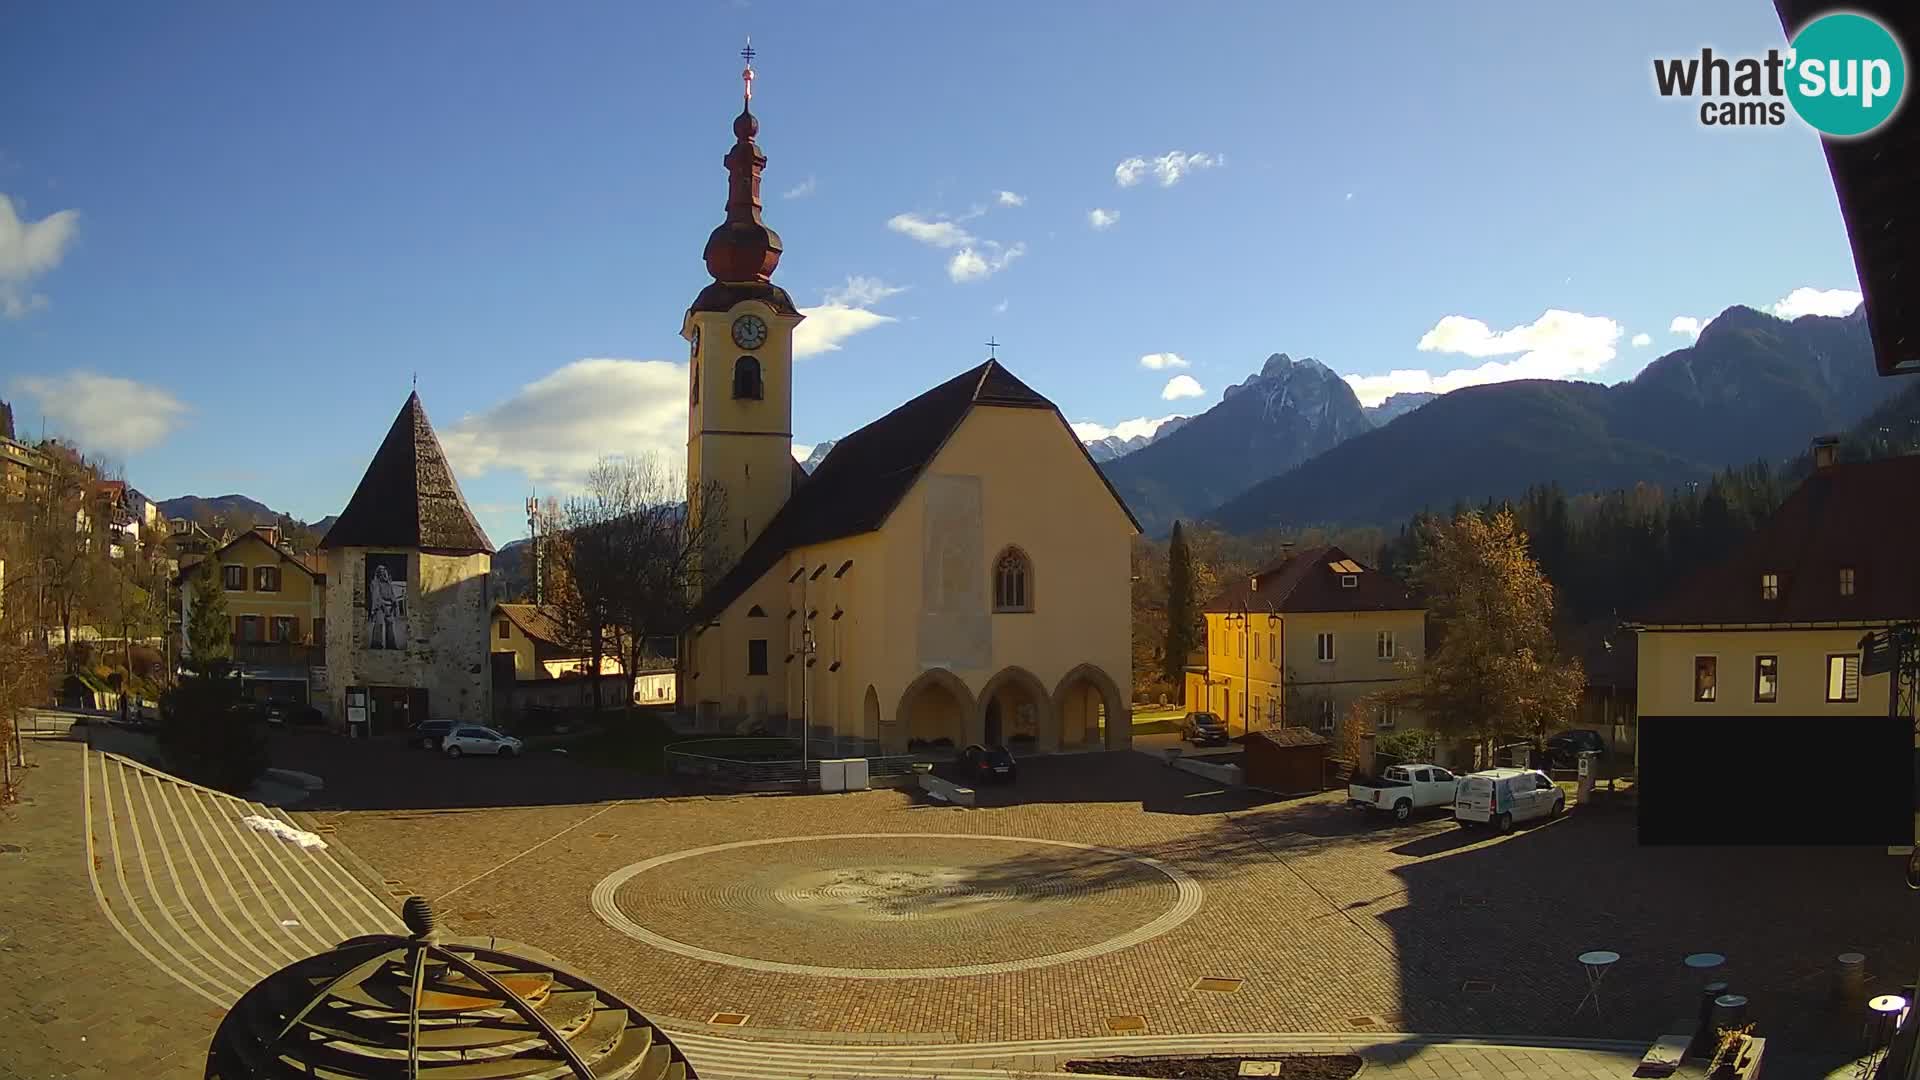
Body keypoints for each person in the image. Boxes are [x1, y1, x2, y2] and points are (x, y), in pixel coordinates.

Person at [368, 563, 402, 649]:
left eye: (384, 571)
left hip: (389, 606)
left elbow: (391, 594)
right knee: (379, 623)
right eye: (381, 572)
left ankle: (391, 645)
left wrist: (394, 602)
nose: (383, 573)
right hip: (380, 607)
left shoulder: (388, 583)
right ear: (378, 573)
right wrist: (383, 606)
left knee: (390, 623)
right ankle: (376, 644)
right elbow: (376, 597)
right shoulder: (375, 583)